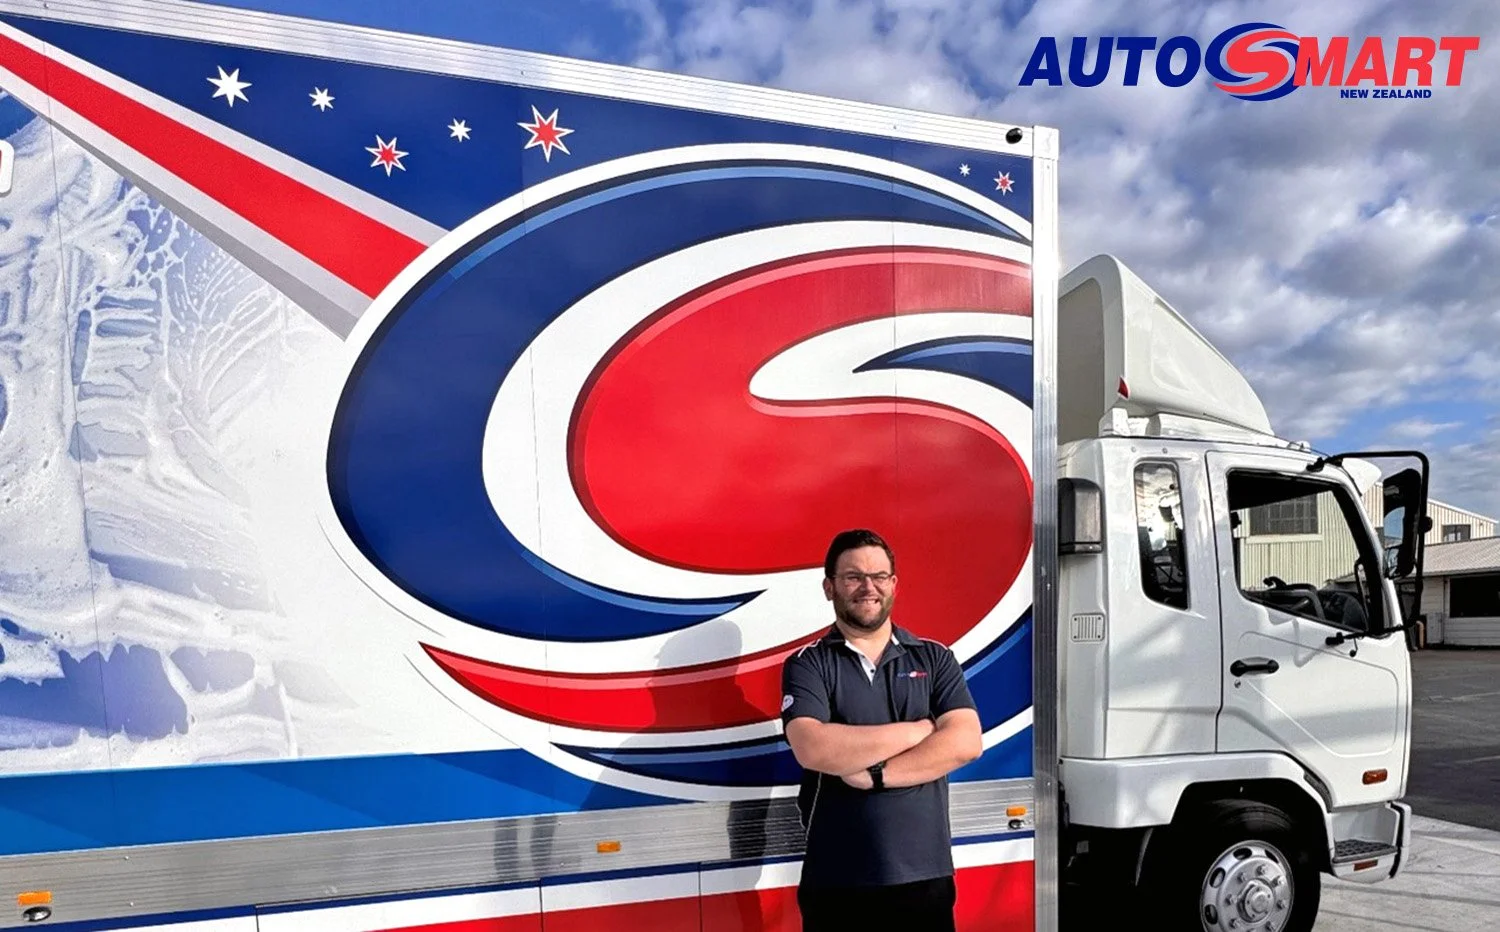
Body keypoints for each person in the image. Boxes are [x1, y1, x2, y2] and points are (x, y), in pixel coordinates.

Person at [780, 528, 983, 932]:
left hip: (924, 875)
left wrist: (875, 774)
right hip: (837, 878)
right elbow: (813, 746)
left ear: (894, 585)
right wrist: (920, 730)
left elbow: (965, 741)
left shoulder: (935, 657)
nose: (867, 587)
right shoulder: (809, 664)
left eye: (879, 576)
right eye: (853, 577)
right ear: (829, 587)